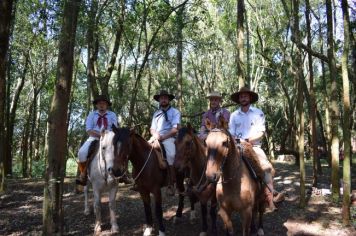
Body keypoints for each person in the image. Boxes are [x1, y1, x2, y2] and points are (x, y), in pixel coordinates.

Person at [229, 87, 284, 211]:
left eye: (245, 96)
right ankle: (221, 196)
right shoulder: (233, 115)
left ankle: (270, 198)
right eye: (241, 96)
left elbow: (261, 132)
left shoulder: (258, 112)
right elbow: (231, 133)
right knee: (222, 163)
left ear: (250, 98)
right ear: (239, 99)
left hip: (254, 147)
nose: (243, 98)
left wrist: (247, 141)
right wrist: (239, 141)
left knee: (266, 168)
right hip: (237, 146)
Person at [76, 95, 118, 186]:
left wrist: (107, 135)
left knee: (121, 150)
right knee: (81, 153)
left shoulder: (112, 115)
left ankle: (123, 174)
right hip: (94, 138)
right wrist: (100, 135)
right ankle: (83, 175)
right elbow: (89, 130)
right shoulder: (92, 115)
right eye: (99, 103)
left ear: (107, 105)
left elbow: (115, 128)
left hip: (109, 138)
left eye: (104, 103)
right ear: (96, 105)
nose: (101, 105)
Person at [150, 90, 181, 196]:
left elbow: (175, 129)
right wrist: (155, 135)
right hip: (156, 137)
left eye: (165, 98)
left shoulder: (175, 112)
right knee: (142, 149)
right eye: (161, 98)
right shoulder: (156, 114)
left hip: (169, 137)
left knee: (171, 154)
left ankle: (172, 182)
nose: (163, 100)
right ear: (159, 100)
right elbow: (152, 128)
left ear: (168, 100)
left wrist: (163, 137)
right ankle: (139, 180)